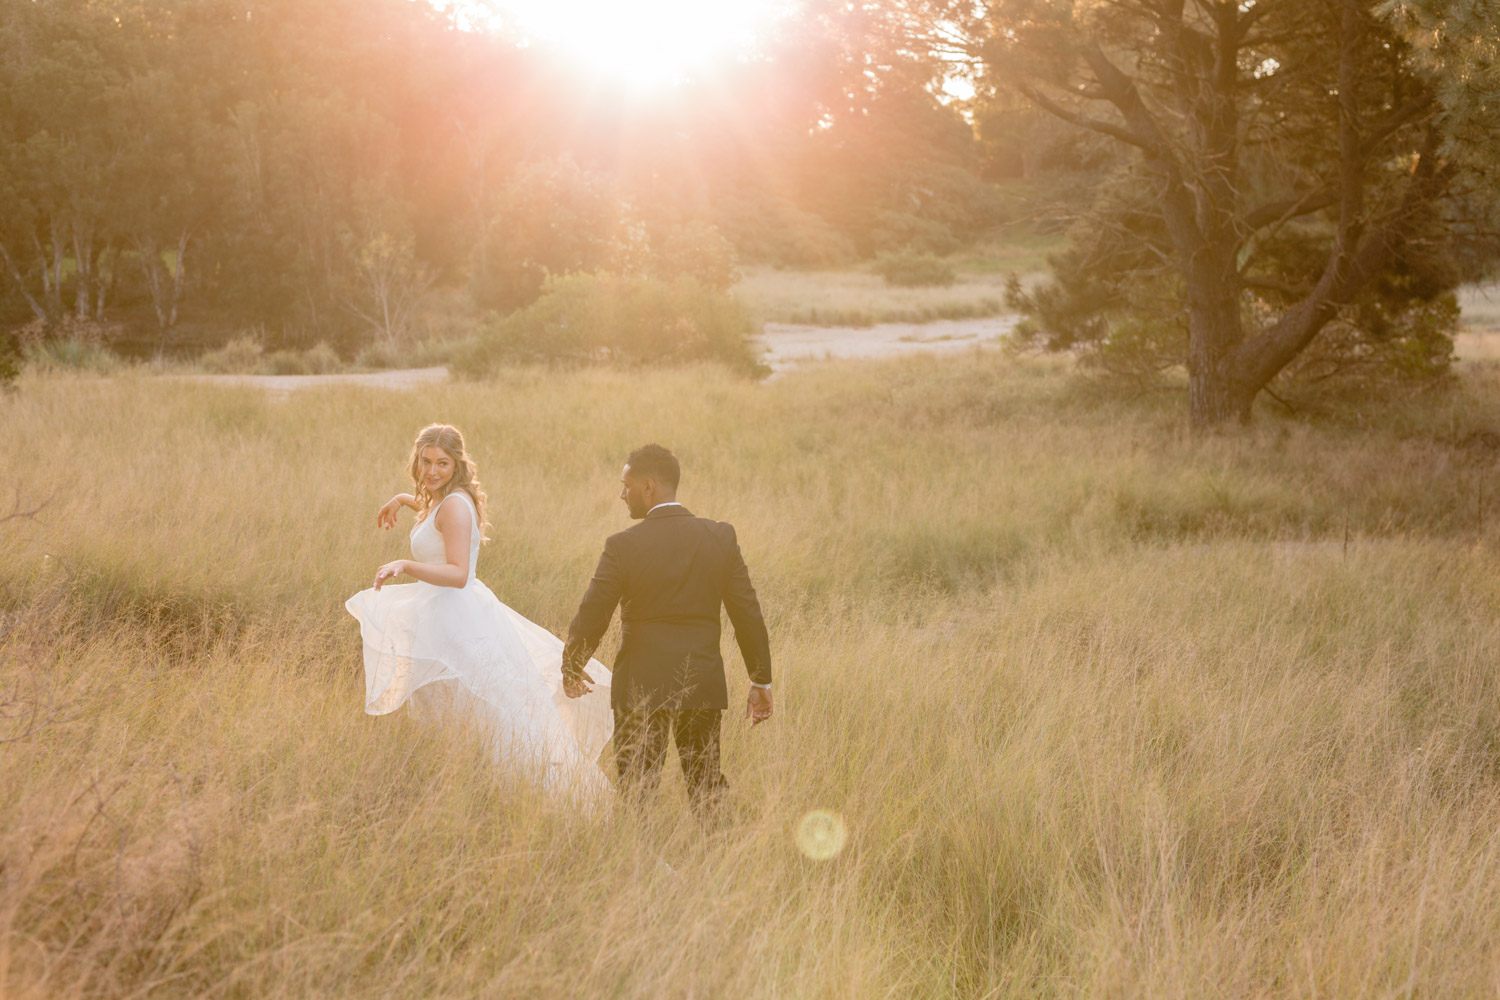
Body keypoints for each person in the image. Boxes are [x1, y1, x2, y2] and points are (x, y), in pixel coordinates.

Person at [346, 424, 614, 802]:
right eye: (425, 462)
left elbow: (457, 574)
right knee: (462, 709)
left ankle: (528, 792)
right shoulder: (444, 499)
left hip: (457, 616)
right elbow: (431, 512)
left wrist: (405, 565)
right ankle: (467, 786)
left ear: (457, 464)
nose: (432, 471)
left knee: (489, 713)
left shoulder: (455, 504)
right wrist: (401, 499)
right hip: (451, 614)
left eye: (442, 463)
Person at [562, 444, 772, 822]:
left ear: (649, 486)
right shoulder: (720, 537)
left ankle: (638, 867)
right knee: (707, 787)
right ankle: (722, 869)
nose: (621, 494)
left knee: (635, 795)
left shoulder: (622, 545)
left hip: (640, 687)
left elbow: (593, 612)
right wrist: (761, 679)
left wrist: (572, 665)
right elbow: (747, 612)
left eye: (626, 486)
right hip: (702, 683)